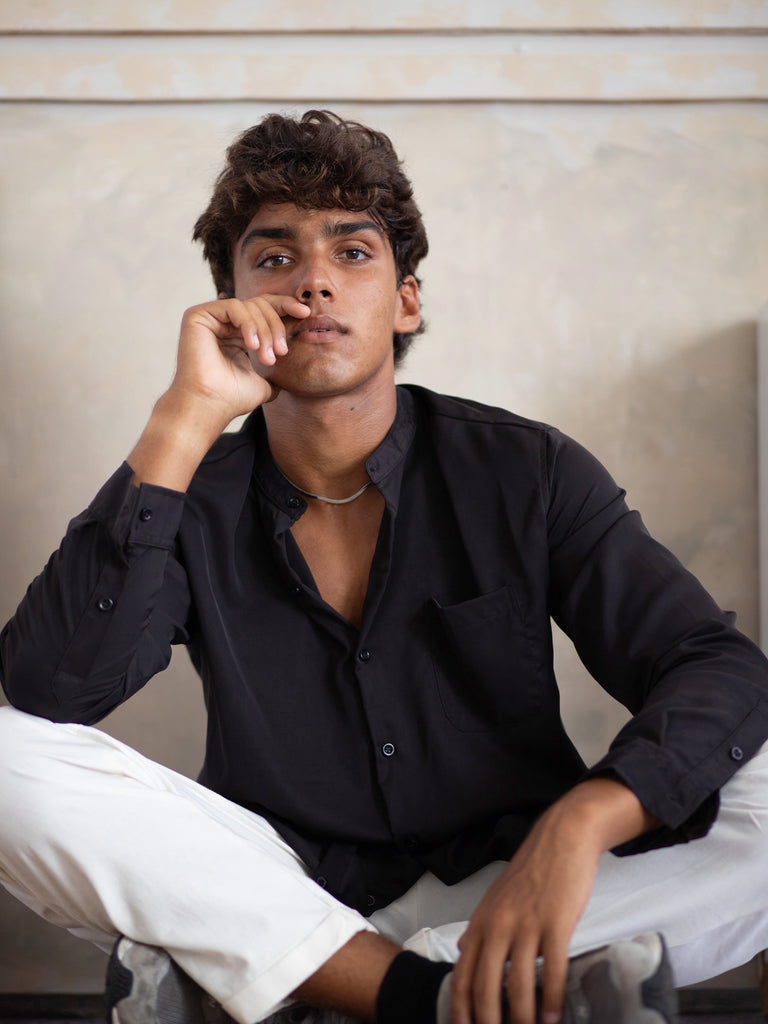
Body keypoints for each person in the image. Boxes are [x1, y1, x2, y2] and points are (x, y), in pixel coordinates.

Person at [1, 109, 767, 1024]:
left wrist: (585, 818)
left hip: (508, 884)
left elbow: (712, 665)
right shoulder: (191, 491)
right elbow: (51, 693)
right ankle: (439, 994)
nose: (314, 280)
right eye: (274, 258)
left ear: (406, 303)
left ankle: (309, 980)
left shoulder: (525, 468)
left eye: (353, 252)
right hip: (281, 885)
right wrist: (184, 414)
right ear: (232, 305)